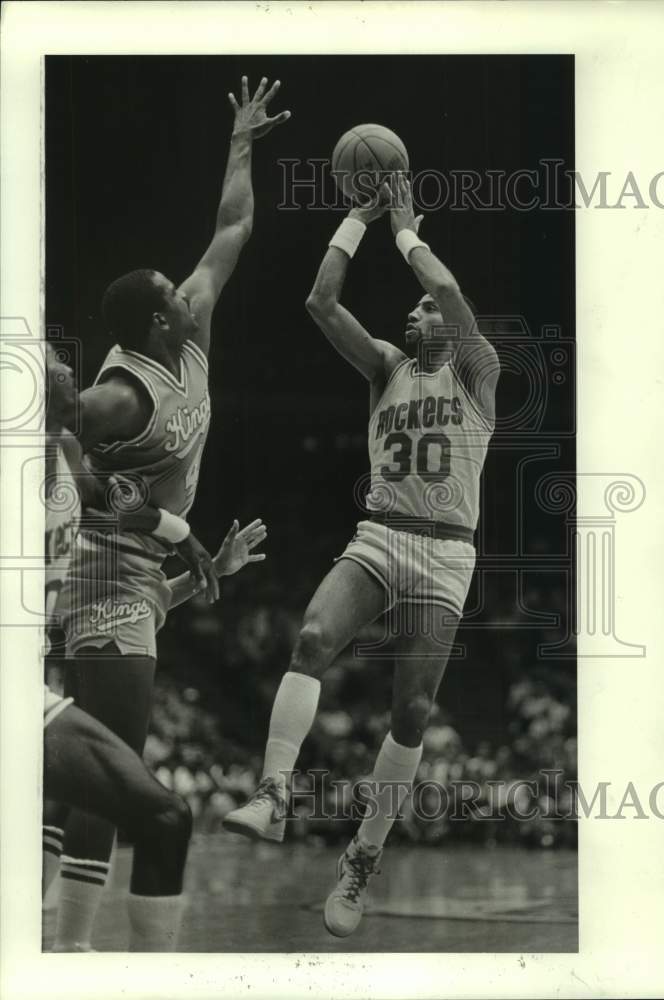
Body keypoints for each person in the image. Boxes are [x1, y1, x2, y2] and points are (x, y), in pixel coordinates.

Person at [45, 73, 289, 952]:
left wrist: (240, 141)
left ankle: (55, 931)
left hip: (150, 566)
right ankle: (67, 952)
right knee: (115, 772)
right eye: (173, 294)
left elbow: (232, 229)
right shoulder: (117, 394)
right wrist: (92, 489)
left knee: (103, 770)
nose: (191, 292)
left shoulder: (189, 333)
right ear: (153, 323)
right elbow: (47, 418)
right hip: (107, 566)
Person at [223, 173, 499, 937]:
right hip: (381, 533)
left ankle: (360, 861)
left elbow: (447, 291)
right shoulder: (385, 367)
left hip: (446, 556)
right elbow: (317, 304)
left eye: (421, 307)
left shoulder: (480, 373)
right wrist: (355, 218)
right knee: (310, 638)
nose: (413, 312)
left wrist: (410, 236)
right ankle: (274, 793)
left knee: (409, 712)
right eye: (412, 307)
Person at [42, 345, 267, 950]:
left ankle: (51, 942)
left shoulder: (69, 458)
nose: (73, 370)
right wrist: (184, 537)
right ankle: (68, 945)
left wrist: (202, 559)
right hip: (59, 642)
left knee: (75, 798)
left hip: (42, 661)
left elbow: (123, 518)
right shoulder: (35, 457)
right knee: (126, 798)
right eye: (57, 363)